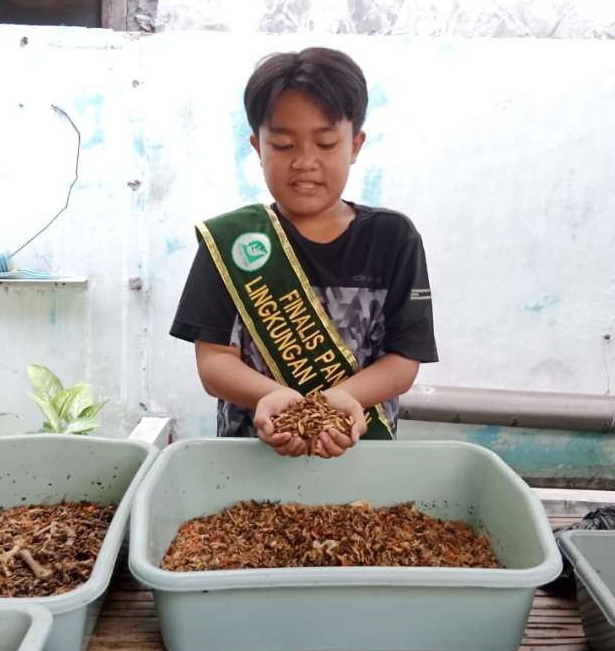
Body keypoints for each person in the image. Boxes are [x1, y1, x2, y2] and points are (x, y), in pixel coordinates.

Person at [170, 47, 437, 458]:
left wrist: (340, 400)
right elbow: (214, 363)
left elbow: (403, 360)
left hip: (365, 456)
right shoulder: (229, 242)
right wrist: (273, 397)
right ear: (258, 147)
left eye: (326, 143)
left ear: (355, 145)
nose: (305, 162)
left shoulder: (393, 239)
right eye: (283, 144)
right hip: (248, 461)